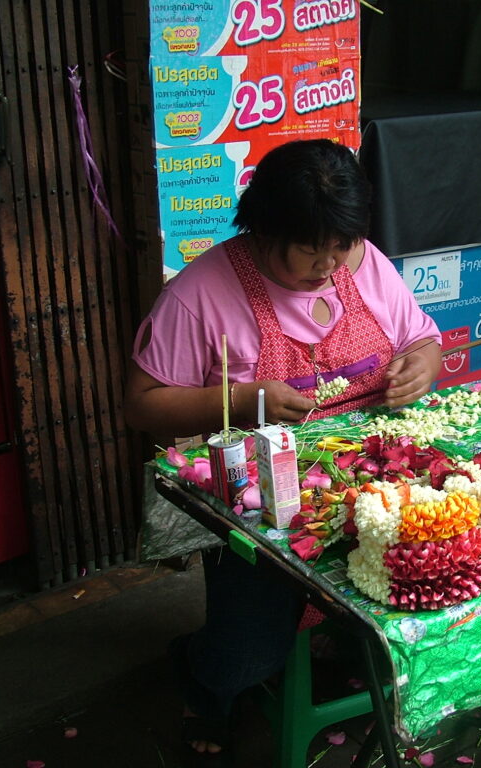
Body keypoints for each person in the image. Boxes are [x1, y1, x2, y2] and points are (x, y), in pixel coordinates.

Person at [124, 139, 441, 763]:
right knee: (249, 653)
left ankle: (344, 648)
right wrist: (242, 400)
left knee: (405, 592)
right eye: (310, 249)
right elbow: (142, 404)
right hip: (259, 501)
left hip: (373, 481)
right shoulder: (202, 295)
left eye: (341, 246)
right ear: (265, 229)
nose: (329, 265)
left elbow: (422, 338)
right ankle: (201, 678)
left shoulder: (365, 264)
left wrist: (420, 369)